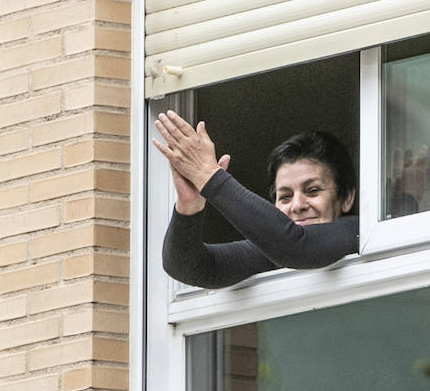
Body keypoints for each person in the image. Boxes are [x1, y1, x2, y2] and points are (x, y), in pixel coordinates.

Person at [152, 111, 361, 289]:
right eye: (285, 196)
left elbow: (298, 246)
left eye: (313, 190)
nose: (297, 206)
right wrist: (189, 206)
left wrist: (210, 178)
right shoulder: (275, 252)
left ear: (346, 198)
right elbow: (188, 268)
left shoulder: (358, 232)